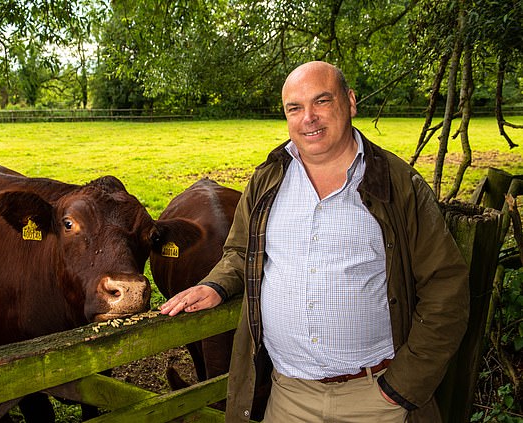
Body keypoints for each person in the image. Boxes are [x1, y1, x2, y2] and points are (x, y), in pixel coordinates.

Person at [160, 61, 469, 423]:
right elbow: (241, 250)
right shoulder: (267, 180)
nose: (309, 117)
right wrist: (216, 284)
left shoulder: (398, 185)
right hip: (289, 396)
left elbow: (446, 286)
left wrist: (404, 385)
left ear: (350, 102)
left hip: (376, 397)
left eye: (322, 101)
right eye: (295, 107)